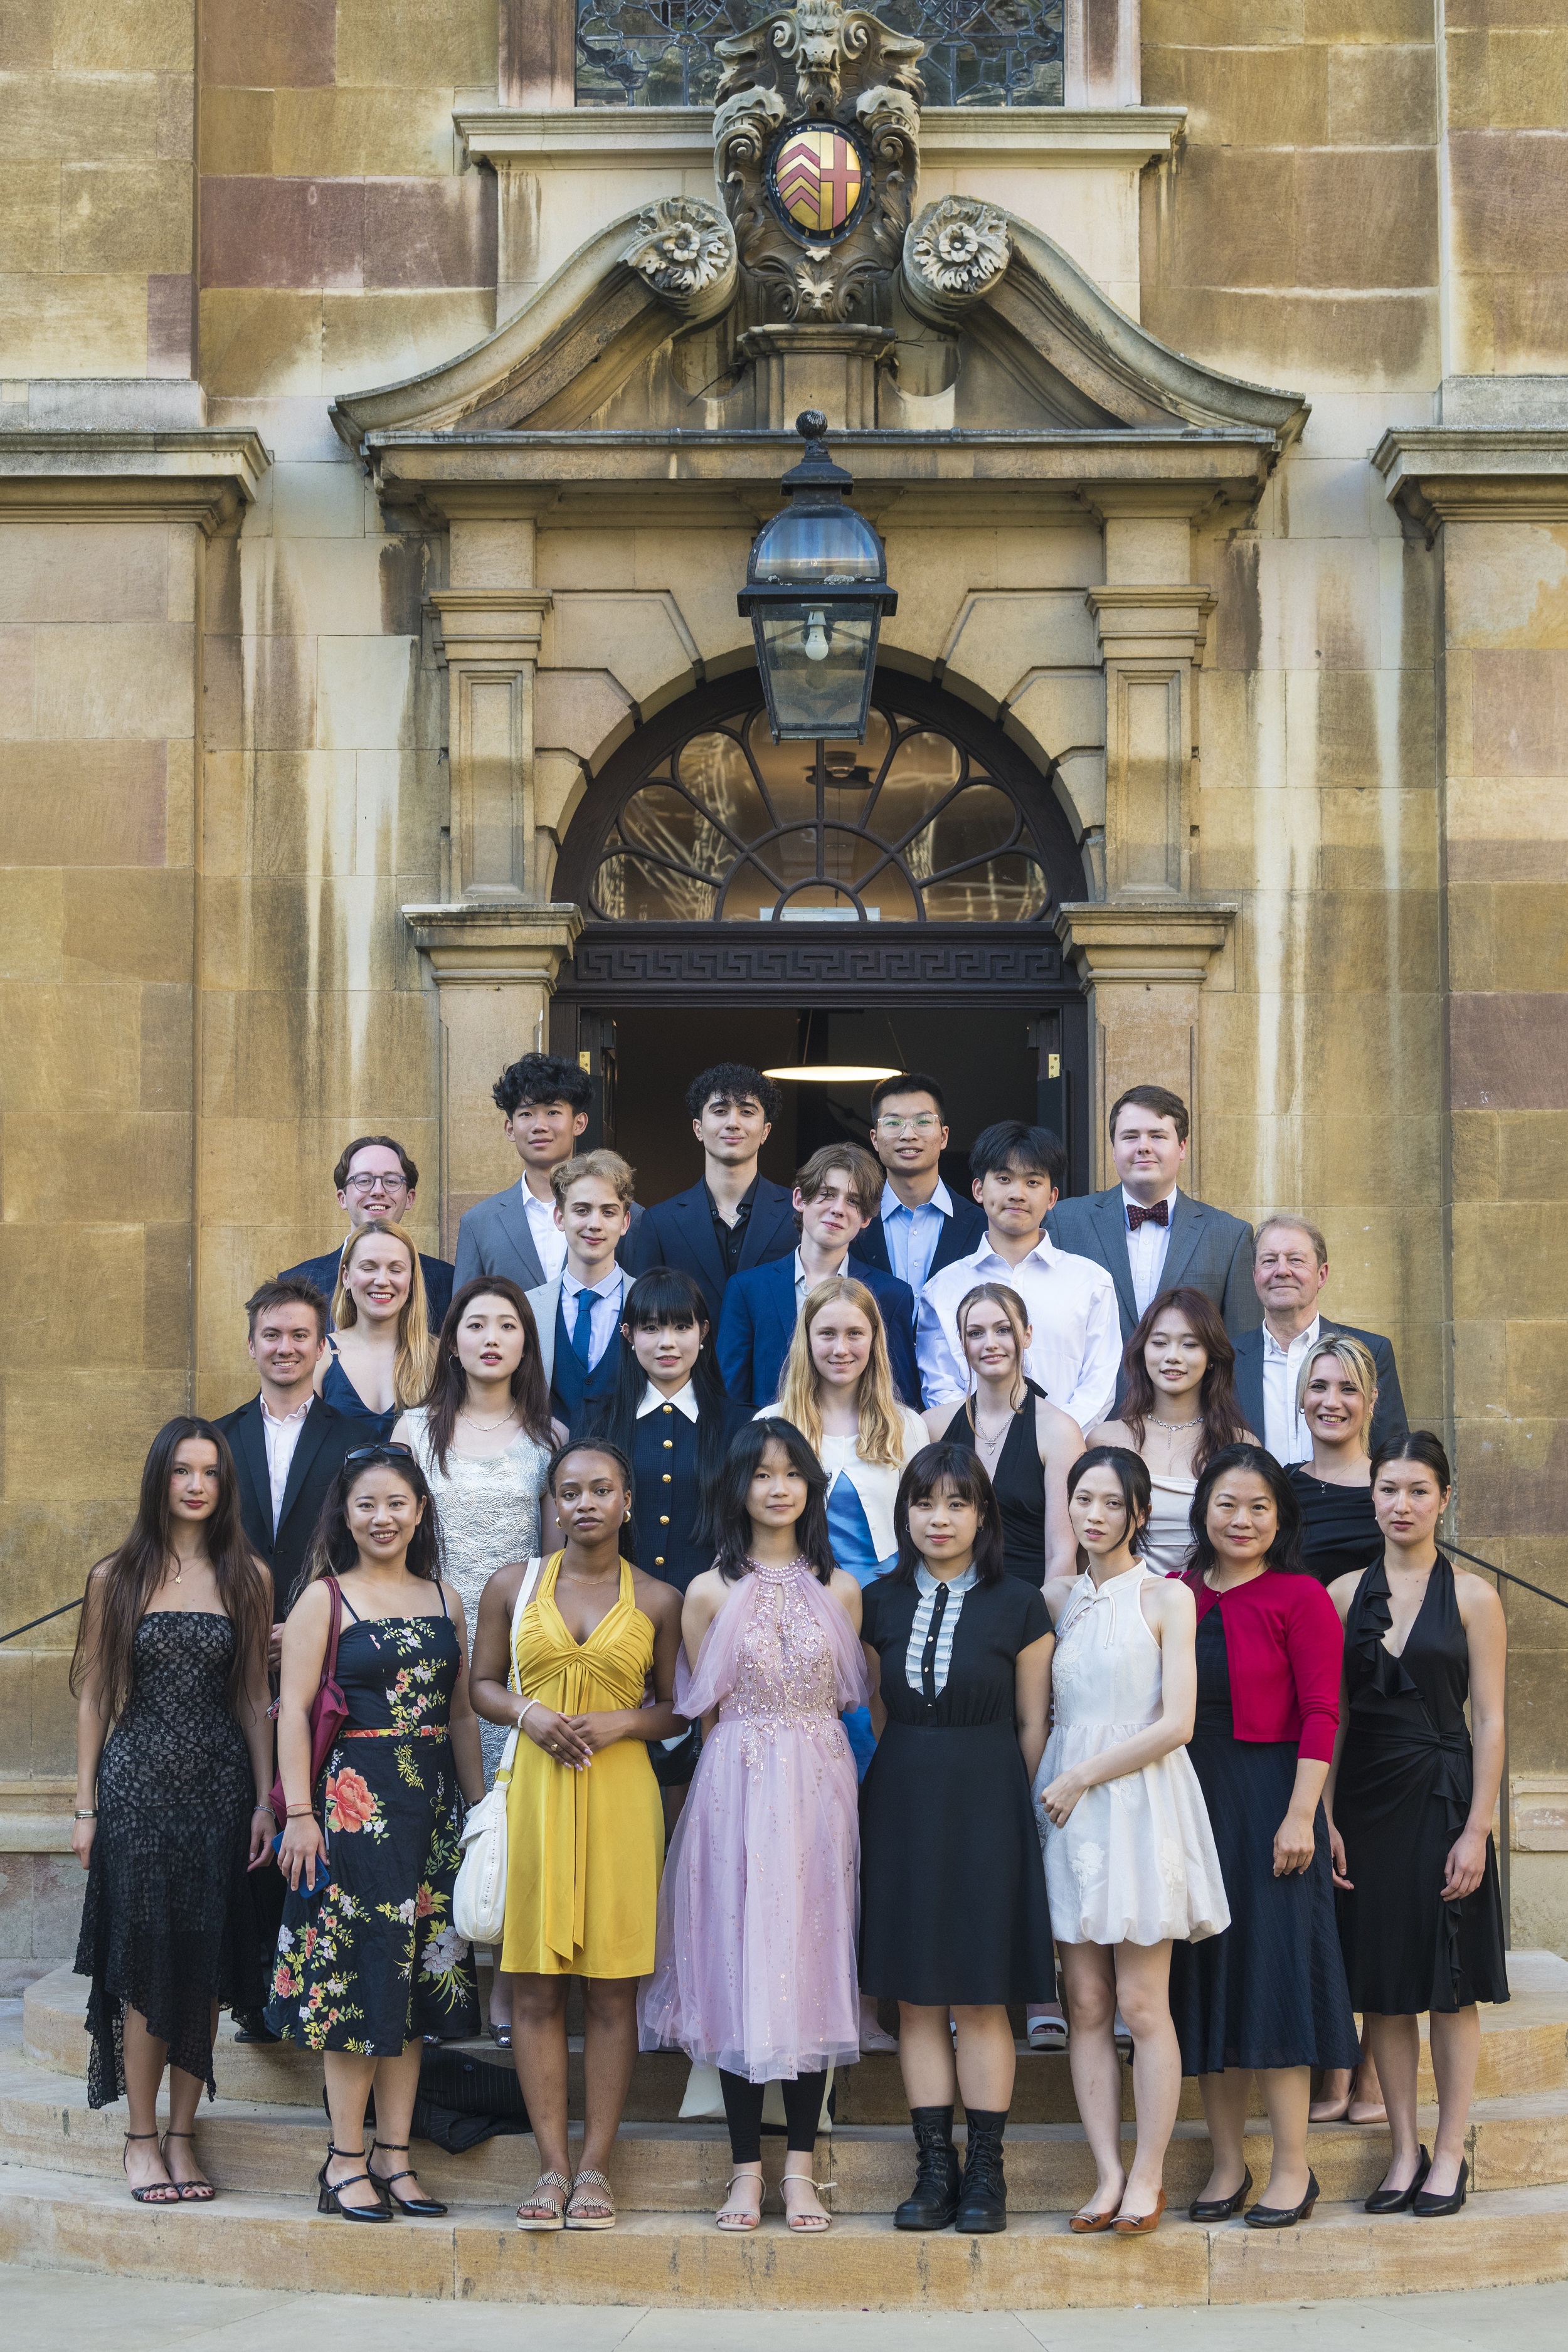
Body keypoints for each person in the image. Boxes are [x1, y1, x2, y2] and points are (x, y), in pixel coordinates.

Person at [640, 1419, 869, 2235]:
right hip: (734, 1784)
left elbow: (847, 1697)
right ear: (736, 1488)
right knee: (737, 1965)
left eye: (791, 1473)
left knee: (810, 1961)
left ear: (811, 1486)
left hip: (819, 1784)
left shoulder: (842, 1588)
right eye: (761, 1474)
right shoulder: (707, 1591)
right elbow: (704, 1714)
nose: (778, 1488)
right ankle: (744, 2172)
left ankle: (800, 2172)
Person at [469, 1441, 683, 2232]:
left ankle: (596, 2165)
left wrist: (625, 1721)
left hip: (621, 1795)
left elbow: (678, 1709)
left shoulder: (659, 1598)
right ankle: (551, 2166)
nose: (585, 1503)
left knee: (612, 1989)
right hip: (537, 1791)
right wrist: (527, 1712)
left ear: (627, 1501)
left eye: (600, 1489)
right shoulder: (511, 1585)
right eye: (570, 1491)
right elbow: (480, 1685)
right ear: (552, 1504)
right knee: (533, 1986)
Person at [267, 1441, 482, 2221]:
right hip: (353, 1813)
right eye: (367, 1504)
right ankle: (344, 2159)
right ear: (346, 1515)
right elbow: (293, 1712)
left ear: (420, 1511)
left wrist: (479, 1815)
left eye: (396, 1503)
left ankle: (395, 2156)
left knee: (417, 1984)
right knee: (358, 1984)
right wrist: (299, 1815)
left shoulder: (445, 1598)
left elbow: (460, 1716)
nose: (382, 1517)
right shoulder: (324, 1599)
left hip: (431, 1817)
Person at [71, 1420, 273, 2200]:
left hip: (220, 1793)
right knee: (144, 1967)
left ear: (226, 1485)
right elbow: (95, 1697)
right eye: (182, 1471)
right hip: (135, 1794)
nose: (196, 1485)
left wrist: (266, 1802)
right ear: (160, 1478)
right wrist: (85, 1806)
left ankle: (184, 2137)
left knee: (205, 1967)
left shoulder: (247, 1575)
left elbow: (254, 1698)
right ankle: (140, 2138)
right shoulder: (116, 1575)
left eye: (211, 1472)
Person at [859, 1446, 1054, 2235]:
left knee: (979, 1997)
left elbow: (1033, 1723)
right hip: (901, 1802)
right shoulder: (874, 1602)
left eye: (957, 1503)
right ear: (904, 1512)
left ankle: (986, 2171)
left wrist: (1012, 1812)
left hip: (989, 1804)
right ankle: (933, 2168)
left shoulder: (1021, 1604)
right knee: (915, 2001)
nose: (938, 1519)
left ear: (983, 1515)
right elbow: (875, 1715)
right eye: (924, 1502)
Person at [1167, 1445, 1360, 2228]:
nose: (1240, 1520)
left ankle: (1291, 2168)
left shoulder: (1300, 1595)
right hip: (1189, 1803)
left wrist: (1301, 1813)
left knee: (1273, 1983)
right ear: (1203, 1511)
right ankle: (1225, 2163)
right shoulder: (1174, 1592)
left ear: (1280, 1519)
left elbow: (1321, 1712)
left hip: (1272, 1800)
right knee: (1208, 1983)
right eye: (1226, 1504)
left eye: (1257, 1507)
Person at [1036, 1448, 1227, 2235]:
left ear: (1139, 1513)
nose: (1094, 1514)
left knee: (1142, 2003)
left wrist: (1082, 1775)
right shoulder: (1056, 1599)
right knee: (1084, 2001)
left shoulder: (1167, 1597)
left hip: (1139, 1801)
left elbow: (1176, 1723)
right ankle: (1107, 2173)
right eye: (1083, 1498)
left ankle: (1148, 2174)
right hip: (1064, 1809)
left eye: (1112, 1502)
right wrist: (1061, 1781)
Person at [1325, 1432, 1508, 2219]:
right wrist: (1323, 1814)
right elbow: (1330, 1716)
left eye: (1417, 1491)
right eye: (1387, 1489)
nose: (1400, 1505)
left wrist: (1478, 1829)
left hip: (1444, 1798)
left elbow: (1491, 1720)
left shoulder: (1473, 1597)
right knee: (1385, 1987)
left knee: (1450, 1985)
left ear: (1443, 1499)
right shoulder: (1341, 1595)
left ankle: (1451, 2148)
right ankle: (1404, 2150)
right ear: (1371, 1496)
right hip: (1365, 1804)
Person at [918, 1122, 1121, 1429]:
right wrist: (986, 1440)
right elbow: (941, 1386)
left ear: (1052, 1197)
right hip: (973, 1451)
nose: (1018, 1194)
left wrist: (1054, 1440)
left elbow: (1099, 1384)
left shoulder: (1091, 1282)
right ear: (979, 1190)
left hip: (1066, 1451)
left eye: (1033, 1182)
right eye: (1004, 1179)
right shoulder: (942, 1288)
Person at [215, 1278, 378, 1631]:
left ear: (320, 1347)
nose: (285, 1348)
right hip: (230, 1630)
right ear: (252, 1345)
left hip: (328, 1632)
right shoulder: (217, 1439)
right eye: (271, 1335)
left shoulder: (358, 1442)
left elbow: (368, 1549)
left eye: (299, 1335)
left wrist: (307, 1625)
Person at [1045, 1086, 1260, 1347]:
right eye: (1130, 1137)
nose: (1143, 1147)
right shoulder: (1063, 1222)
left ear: (1182, 1148)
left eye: (1157, 1136)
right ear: (1113, 1150)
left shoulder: (1230, 1236)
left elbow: (1242, 1346)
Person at [716, 1143, 919, 1408]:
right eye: (827, 1194)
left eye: (853, 1201)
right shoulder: (748, 1290)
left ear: (866, 1218)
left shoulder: (891, 1295)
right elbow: (729, 1402)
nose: (838, 1209)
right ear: (800, 1199)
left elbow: (901, 1400)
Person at [1086, 1288, 1251, 1578]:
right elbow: (1084, 1547)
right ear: (1143, 1352)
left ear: (1212, 1356)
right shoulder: (1104, 1440)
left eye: (1190, 1344)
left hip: (1211, 1598)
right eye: (1160, 1343)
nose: (1173, 1356)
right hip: (1122, 1598)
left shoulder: (1240, 1444)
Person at [927, 1282, 1083, 1585]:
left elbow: (1062, 1554)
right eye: (976, 1333)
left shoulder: (1060, 1432)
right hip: (948, 1595)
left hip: (1030, 1598)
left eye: (1003, 1330)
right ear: (962, 1343)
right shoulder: (933, 1426)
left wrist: (1042, 1612)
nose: (990, 1343)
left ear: (1027, 1335)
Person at [453, 1052, 640, 1293]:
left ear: (579, 1123)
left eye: (553, 1112)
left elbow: (642, 1302)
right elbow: (464, 1310)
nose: (539, 1126)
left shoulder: (627, 1216)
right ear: (510, 1129)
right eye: (526, 1114)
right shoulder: (479, 1223)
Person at [1233, 1214, 1407, 1464]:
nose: (1282, 1271)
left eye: (1296, 1260)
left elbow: (1393, 1455)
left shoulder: (1372, 1351)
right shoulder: (1227, 1359)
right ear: (1254, 1275)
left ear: (1322, 1275)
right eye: (1269, 1261)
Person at [630, 1064, 797, 1321]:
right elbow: (644, 1319)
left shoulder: (797, 1214)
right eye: (720, 1111)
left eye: (747, 1112)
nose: (733, 1123)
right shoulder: (660, 1222)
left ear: (765, 1131)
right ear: (698, 1128)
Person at [279, 1134, 453, 1331]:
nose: (378, 1191)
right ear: (342, 1198)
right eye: (363, 1181)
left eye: (391, 1181)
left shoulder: (448, 1282)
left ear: (409, 1198)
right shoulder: (296, 1282)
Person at [522, 1150, 637, 1432]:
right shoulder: (528, 1307)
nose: (595, 1224)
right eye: (582, 1210)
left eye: (608, 1212)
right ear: (560, 1218)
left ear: (625, 1222)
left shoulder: (647, 1301)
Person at [850, 1071, 987, 1291]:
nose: (908, 1135)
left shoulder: (984, 1226)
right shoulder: (851, 1220)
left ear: (943, 1137)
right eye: (893, 1123)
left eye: (923, 1121)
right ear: (874, 1139)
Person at [314, 1221, 436, 1443]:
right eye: (368, 1268)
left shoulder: (437, 1357)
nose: (382, 1281)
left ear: (411, 1281)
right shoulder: (320, 1356)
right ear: (346, 1277)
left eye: (396, 1270)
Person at [1287, 1334, 1385, 1589]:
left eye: (1348, 1389)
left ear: (1371, 1401)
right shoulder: (1280, 1486)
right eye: (1318, 1387)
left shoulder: (1390, 1490)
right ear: (1302, 1397)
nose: (1331, 1402)